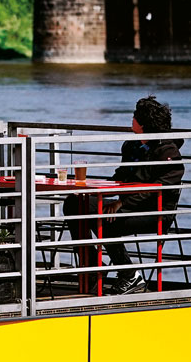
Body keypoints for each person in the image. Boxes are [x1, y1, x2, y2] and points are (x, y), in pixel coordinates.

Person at [69, 95, 184, 295]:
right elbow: (121, 176)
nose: (131, 119)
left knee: (105, 220)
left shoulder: (168, 153)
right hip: (127, 204)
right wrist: (98, 191)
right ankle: (92, 262)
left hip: (154, 211)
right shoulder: (132, 146)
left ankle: (129, 274)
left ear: (143, 123)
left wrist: (121, 203)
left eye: (135, 116)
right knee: (75, 202)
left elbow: (156, 189)